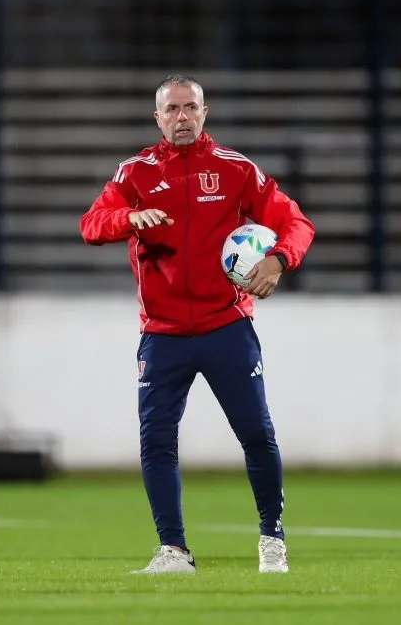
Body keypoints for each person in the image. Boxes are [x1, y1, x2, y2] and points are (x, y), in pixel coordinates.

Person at [79, 74, 315, 574]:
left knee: (256, 434)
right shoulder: (134, 173)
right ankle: (174, 550)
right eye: (173, 110)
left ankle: (272, 540)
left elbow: (296, 222)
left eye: (191, 108)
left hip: (225, 326)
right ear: (157, 118)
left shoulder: (235, 170)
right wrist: (128, 220)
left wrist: (278, 260)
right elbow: (92, 224)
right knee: (157, 442)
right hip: (162, 334)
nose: (182, 117)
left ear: (204, 113)